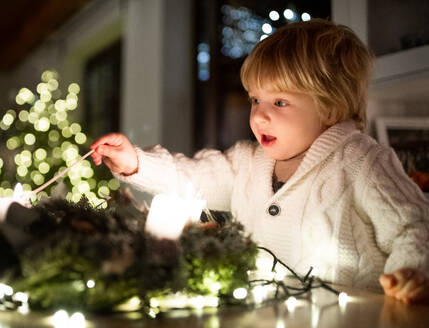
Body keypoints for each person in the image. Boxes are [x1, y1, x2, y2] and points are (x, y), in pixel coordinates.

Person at [90, 19, 429, 303]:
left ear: (331, 108)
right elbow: (191, 177)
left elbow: (413, 227)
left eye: (279, 102)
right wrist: (136, 161)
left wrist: (411, 273)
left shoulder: (360, 161)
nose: (259, 116)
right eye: (255, 99)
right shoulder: (247, 163)